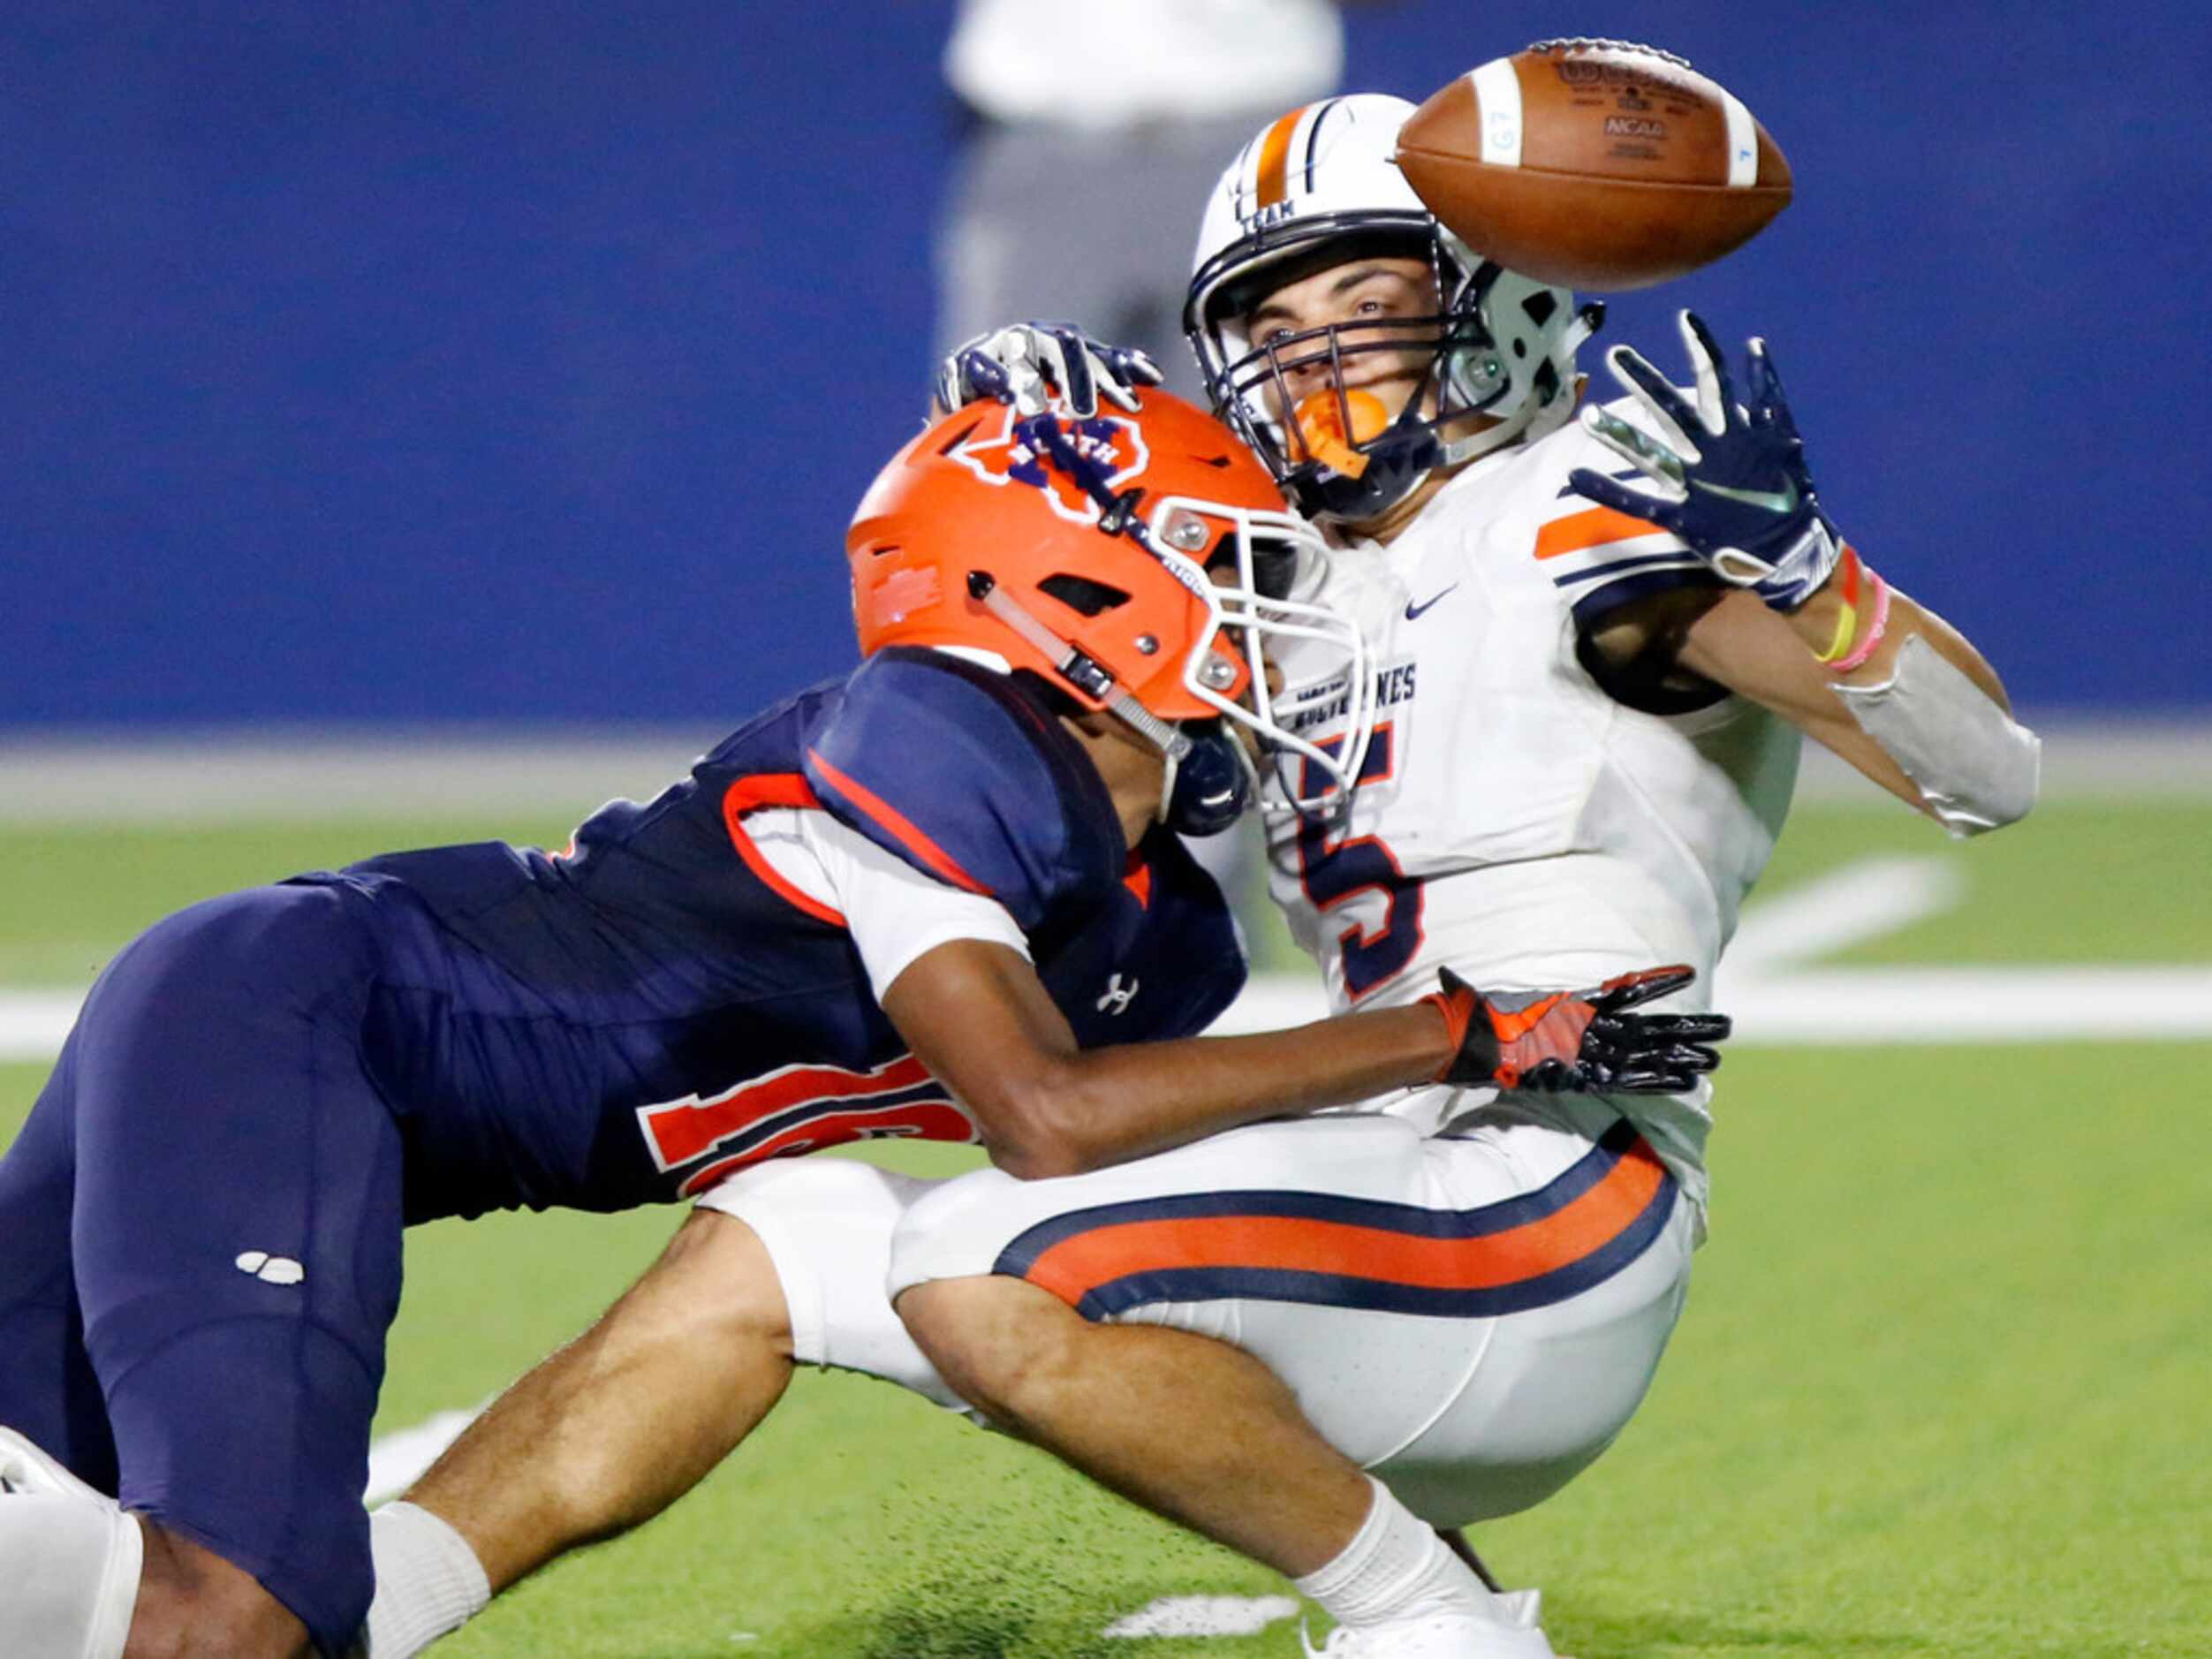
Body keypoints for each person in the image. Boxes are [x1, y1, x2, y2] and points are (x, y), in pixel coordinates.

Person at [363, 83, 2035, 1659]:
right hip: (1371, 1165)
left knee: (984, 1269)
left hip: (1551, 1195)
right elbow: (1032, 732)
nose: (1318, 368)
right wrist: (1047, 458)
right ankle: (345, 1606)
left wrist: (1818, 579)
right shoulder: (1280, 571)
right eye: (1272, 332)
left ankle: (1433, 1625)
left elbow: (1988, 775)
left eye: (1364, 305)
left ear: (1494, 298)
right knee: (777, 1230)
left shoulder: (1579, 517)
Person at [0, 385, 1723, 1659]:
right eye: (1212, 557)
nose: (1264, 599)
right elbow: (1040, 1116)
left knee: (55, 1582)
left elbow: (1126, 1204)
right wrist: (1453, 1032)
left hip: (316, 1068)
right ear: (1067, 598)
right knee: (227, 1623)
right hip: (289, 1029)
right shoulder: (940, 732)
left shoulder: (1160, 939)